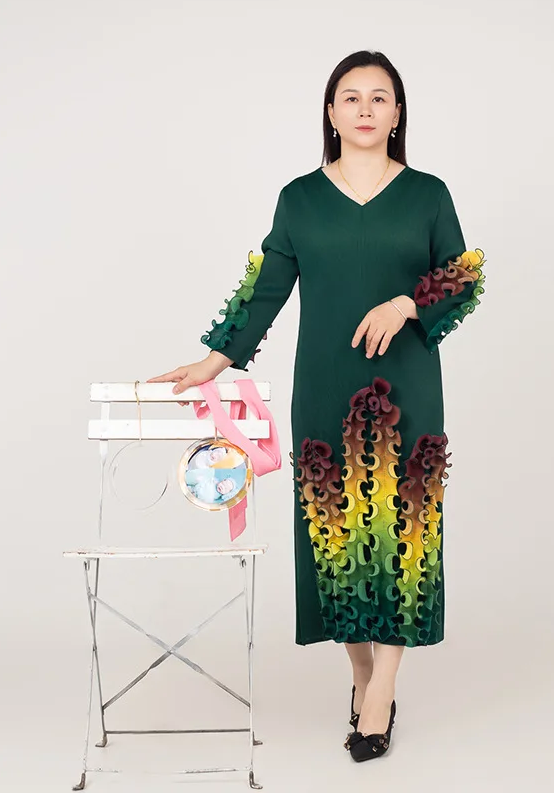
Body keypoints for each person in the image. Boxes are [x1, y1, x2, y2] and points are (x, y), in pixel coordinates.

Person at [148, 50, 486, 762]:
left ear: (397, 114)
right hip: (325, 388)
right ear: (331, 113)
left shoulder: (428, 194)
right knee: (337, 540)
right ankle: (361, 673)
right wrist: (215, 357)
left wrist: (406, 303)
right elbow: (267, 286)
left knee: (402, 538)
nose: (365, 108)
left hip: (408, 389)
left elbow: (461, 276)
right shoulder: (299, 198)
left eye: (380, 97)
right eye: (350, 97)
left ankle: (381, 692)